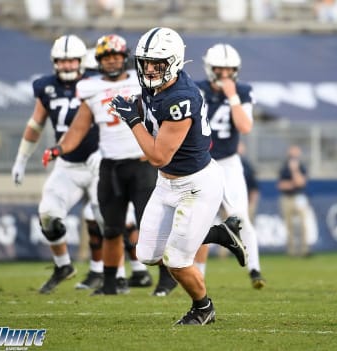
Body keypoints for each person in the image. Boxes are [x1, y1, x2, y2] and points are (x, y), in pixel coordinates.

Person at [109, 26, 248, 325]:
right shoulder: (157, 85)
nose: (148, 69)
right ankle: (216, 233)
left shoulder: (180, 98)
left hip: (196, 185)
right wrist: (134, 106)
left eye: (156, 63)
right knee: (146, 254)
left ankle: (203, 308)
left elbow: (157, 156)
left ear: (172, 62)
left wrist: (132, 120)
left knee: (177, 260)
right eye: (145, 62)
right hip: (167, 184)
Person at [43, 33, 154, 296]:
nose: (113, 62)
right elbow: (78, 127)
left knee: (148, 225)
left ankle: (162, 278)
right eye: (107, 57)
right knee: (111, 227)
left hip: (142, 161)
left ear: (124, 58)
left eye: (117, 57)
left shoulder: (143, 83)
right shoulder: (90, 87)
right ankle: (111, 282)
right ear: (99, 61)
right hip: (110, 165)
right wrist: (60, 148)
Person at [11, 34, 103, 294]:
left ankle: (99, 271)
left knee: (98, 218)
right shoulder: (46, 87)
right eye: (62, 62)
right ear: (54, 62)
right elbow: (36, 124)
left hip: (98, 160)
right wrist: (21, 159)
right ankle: (63, 265)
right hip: (67, 164)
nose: (67, 66)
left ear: (81, 61)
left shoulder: (95, 83)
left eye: (72, 61)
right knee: (48, 215)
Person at [192, 43, 266, 289]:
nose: (225, 74)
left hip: (228, 163)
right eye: (219, 69)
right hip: (201, 162)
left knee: (240, 216)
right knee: (202, 220)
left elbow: (245, 127)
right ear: (209, 68)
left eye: (229, 69)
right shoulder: (196, 90)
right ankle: (198, 274)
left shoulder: (242, 91)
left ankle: (255, 270)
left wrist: (232, 96)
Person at [277, 144, 311, 257]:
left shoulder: (301, 166)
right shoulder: (284, 167)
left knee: (303, 224)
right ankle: (291, 251)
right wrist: (293, 183)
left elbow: (301, 182)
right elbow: (281, 185)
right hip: (287, 198)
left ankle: (304, 249)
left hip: (299, 197)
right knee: (289, 225)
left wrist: (294, 171)